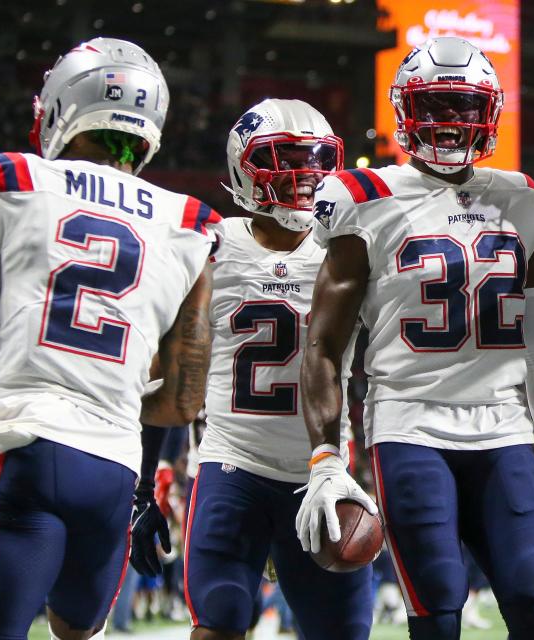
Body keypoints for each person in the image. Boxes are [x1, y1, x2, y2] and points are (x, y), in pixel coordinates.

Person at [296, 37, 534, 640]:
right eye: (435, 104)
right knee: (437, 610)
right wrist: (326, 456)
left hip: (505, 427)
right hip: (410, 425)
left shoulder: (523, 199)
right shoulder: (363, 199)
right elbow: (325, 348)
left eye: (464, 106)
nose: (451, 121)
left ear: (489, 112)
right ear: (405, 110)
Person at [0, 37, 216, 639]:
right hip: (111, 469)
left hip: (23, 448)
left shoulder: (18, 179)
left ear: (60, 105)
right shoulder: (188, 223)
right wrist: (138, 490)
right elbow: (181, 398)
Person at [130, 98, 374, 640]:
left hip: (321, 472)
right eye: (285, 160)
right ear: (245, 166)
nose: (304, 176)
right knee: (217, 623)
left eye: (315, 161)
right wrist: (144, 487)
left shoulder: (351, 248)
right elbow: (171, 376)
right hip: (232, 467)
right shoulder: (211, 246)